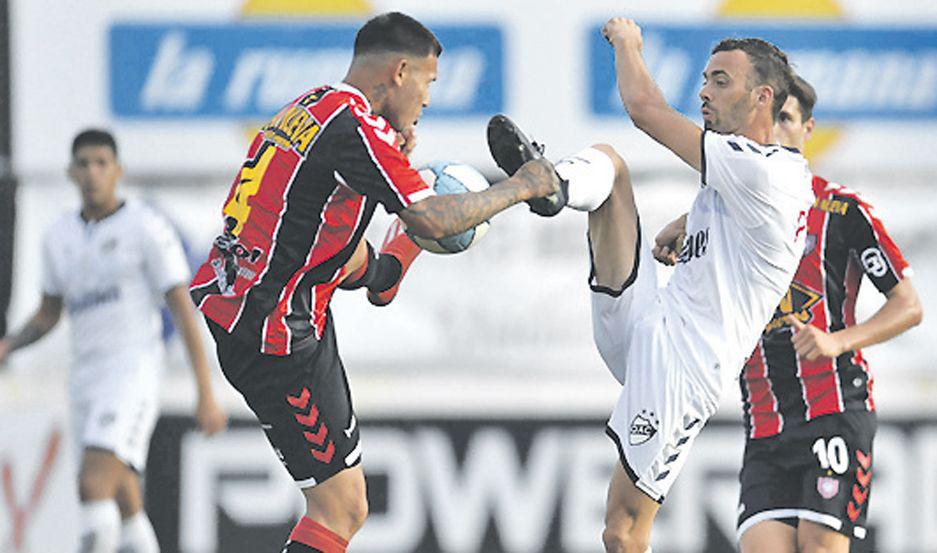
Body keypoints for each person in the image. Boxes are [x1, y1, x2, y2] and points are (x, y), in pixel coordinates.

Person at [188, 12, 560, 553]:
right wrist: (519, 186)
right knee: (340, 509)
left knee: (342, 503)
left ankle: (386, 274)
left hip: (260, 298)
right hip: (274, 332)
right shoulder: (354, 128)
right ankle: (384, 272)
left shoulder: (315, 105)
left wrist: (382, 248)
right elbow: (431, 219)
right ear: (401, 72)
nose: (429, 99)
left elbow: (307, 210)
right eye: (429, 83)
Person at [489, 19, 814, 552]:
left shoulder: (762, 171)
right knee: (609, 168)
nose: (704, 91)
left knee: (622, 531)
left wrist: (627, 42)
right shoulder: (754, 171)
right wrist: (687, 224)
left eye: (720, 81)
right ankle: (555, 184)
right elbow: (746, 221)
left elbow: (645, 108)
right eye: (705, 78)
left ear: (762, 97)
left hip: (682, 369)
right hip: (649, 319)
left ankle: (544, 184)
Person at [0, 129, 228, 553]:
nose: (92, 173)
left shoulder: (144, 227)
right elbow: (49, 313)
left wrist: (206, 392)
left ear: (118, 170)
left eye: (101, 163)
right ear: (71, 172)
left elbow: (181, 308)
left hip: (131, 372)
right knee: (124, 499)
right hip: (84, 376)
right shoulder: (58, 236)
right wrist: (9, 345)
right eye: (83, 164)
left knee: (94, 482)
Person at [735, 75, 923, 553]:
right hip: (764, 421)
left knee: (819, 547)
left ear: (807, 129)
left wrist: (837, 341)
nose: (773, 130)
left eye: (785, 118)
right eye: (765, 118)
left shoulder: (841, 211)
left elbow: (908, 305)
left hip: (832, 410)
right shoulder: (727, 212)